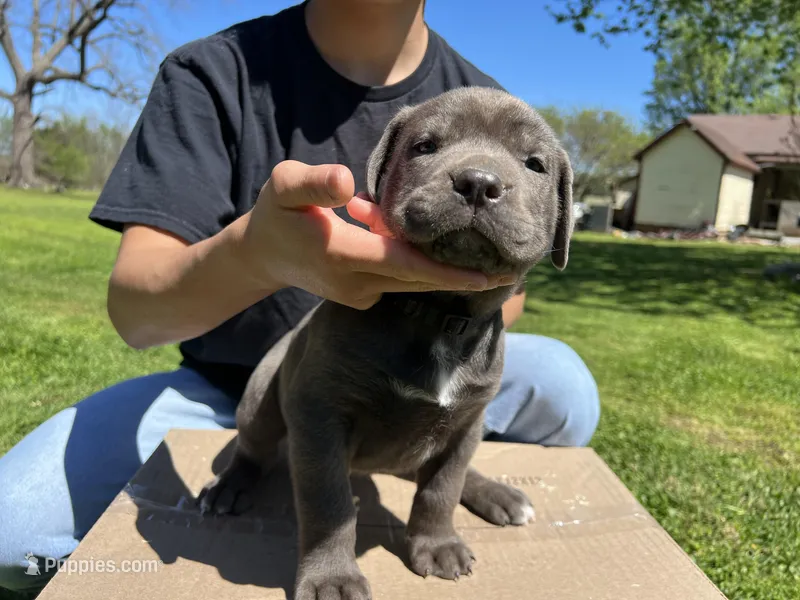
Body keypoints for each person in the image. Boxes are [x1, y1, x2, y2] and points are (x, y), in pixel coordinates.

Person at [0, 0, 600, 592]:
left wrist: (483, 284)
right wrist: (254, 255)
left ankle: (446, 473)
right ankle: (252, 457)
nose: (481, 175)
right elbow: (134, 313)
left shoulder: (481, 92)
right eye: (427, 148)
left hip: (453, 349)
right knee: (10, 534)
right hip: (229, 387)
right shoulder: (213, 73)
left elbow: (509, 299)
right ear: (381, 168)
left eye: (530, 164)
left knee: (565, 385)